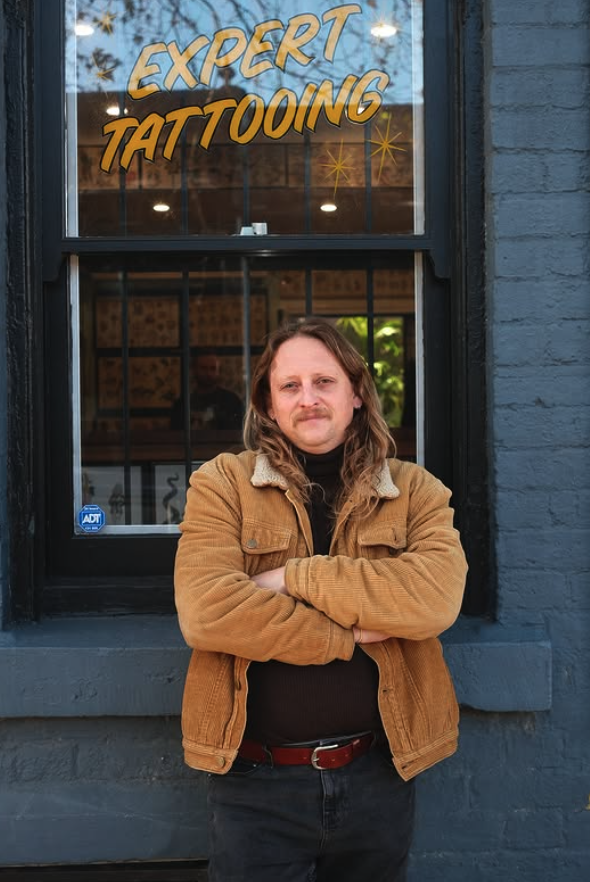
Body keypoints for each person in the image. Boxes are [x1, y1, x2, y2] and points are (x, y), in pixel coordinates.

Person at [174, 318, 467, 881]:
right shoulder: (221, 485)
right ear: (267, 404)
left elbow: (434, 599)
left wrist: (292, 576)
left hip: (379, 771)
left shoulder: (414, 491)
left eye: (324, 382)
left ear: (356, 392)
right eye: (290, 386)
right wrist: (349, 635)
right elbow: (208, 611)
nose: (307, 399)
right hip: (256, 785)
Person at [170, 351, 244, 431]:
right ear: (194, 370)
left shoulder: (231, 400)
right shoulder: (182, 403)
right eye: (203, 368)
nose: (208, 373)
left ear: (218, 371)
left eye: (213, 368)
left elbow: (238, 432)